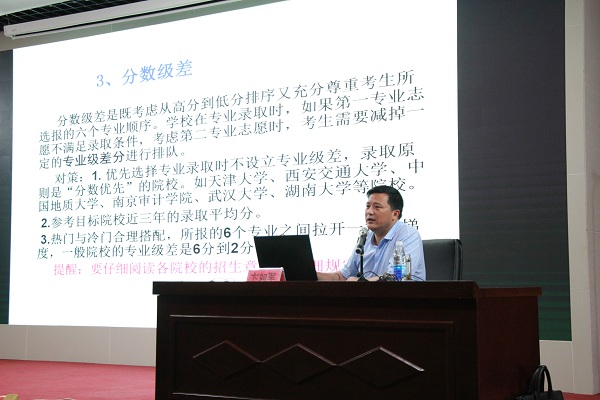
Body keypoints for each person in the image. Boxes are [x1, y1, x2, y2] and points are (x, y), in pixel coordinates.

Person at [317, 185, 425, 281]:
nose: (370, 212)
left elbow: (397, 277)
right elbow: (344, 277)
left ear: (395, 214)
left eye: (377, 207)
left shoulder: (408, 234)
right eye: (368, 206)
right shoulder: (365, 238)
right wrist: (312, 274)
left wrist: (360, 283)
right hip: (369, 296)